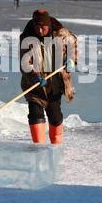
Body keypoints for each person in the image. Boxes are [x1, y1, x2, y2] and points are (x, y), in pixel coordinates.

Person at [19, 9, 77, 145]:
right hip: (35, 86)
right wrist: (34, 77)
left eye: (43, 27)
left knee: (55, 118)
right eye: (37, 27)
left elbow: (73, 42)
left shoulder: (60, 33)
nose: (40, 31)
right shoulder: (26, 38)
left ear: (48, 25)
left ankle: (56, 147)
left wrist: (71, 59)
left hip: (55, 84)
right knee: (35, 115)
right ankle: (39, 148)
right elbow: (24, 63)